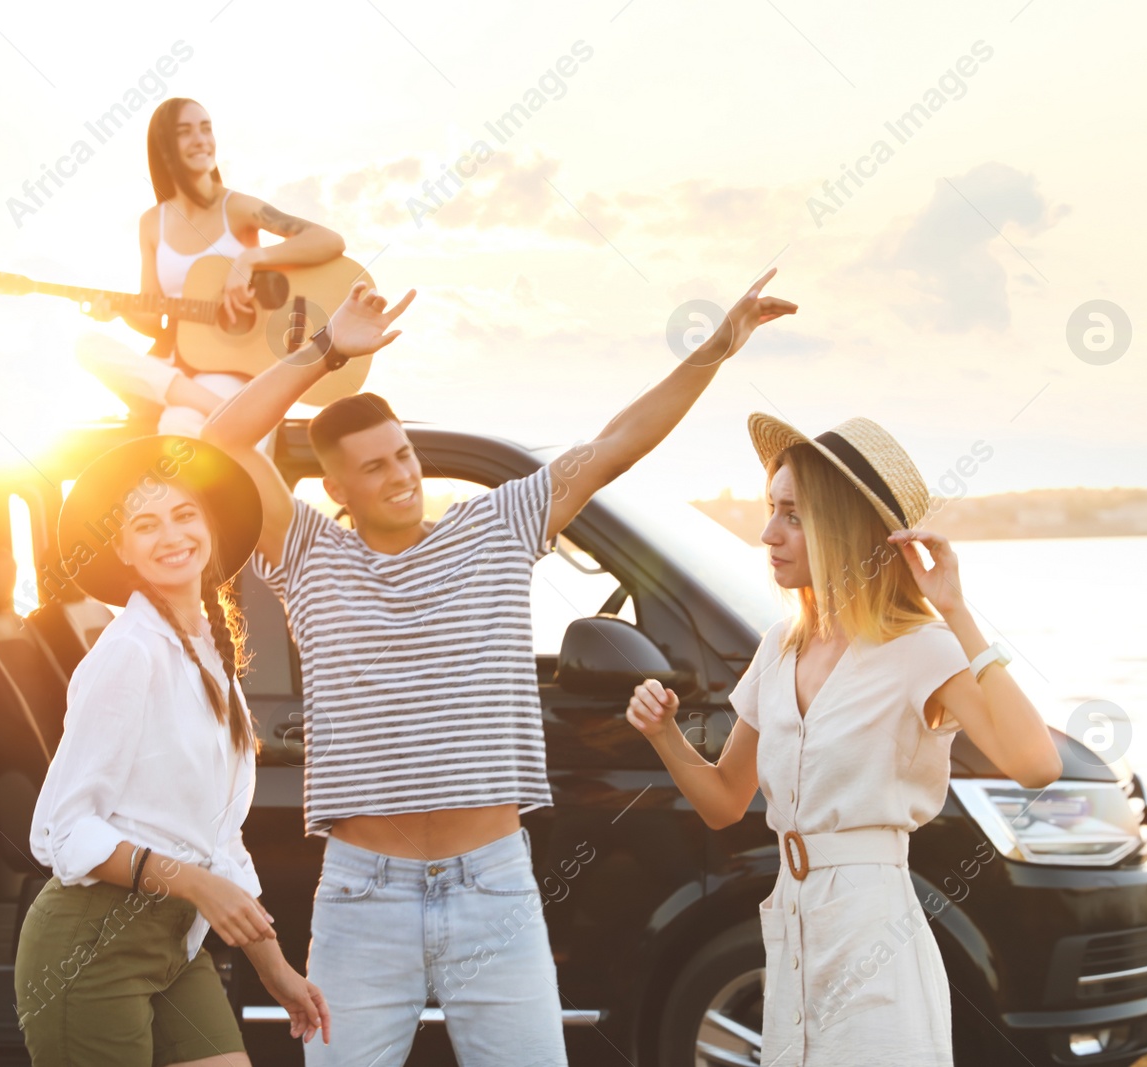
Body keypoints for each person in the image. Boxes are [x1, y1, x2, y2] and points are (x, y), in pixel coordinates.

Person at [200, 271, 798, 1065]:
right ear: (336, 485)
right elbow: (219, 444)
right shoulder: (310, 554)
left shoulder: (494, 528)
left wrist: (714, 352)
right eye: (374, 467)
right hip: (362, 898)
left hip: (493, 886)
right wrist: (327, 351)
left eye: (404, 454)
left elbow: (614, 444)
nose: (402, 475)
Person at [623, 414, 1065, 1066]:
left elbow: (1036, 762)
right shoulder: (778, 649)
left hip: (874, 931)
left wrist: (958, 610)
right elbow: (723, 799)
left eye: (794, 515)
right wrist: (664, 735)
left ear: (846, 528)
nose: (768, 533)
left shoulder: (921, 648)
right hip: (792, 923)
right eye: (771, 509)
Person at [12, 433, 326, 1066]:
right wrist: (193, 885)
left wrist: (274, 967)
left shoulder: (210, 652)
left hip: (174, 946)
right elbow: (58, 831)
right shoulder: (129, 652)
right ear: (122, 547)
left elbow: (220, 841)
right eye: (146, 524)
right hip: (89, 948)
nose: (172, 535)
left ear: (208, 525)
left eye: (185, 515)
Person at [79, 96, 347, 436]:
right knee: (87, 346)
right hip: (173, 362)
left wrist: (250, 258)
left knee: (177, 426)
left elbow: (329, 240)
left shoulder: (236, 208)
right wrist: (118, 310)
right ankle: (219, 408)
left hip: (229, 368)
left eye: (206, 129)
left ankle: (202, 403)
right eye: (185, 131)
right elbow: (151, 315)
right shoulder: (152, 223)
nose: (201, 140)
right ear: (164, 148)